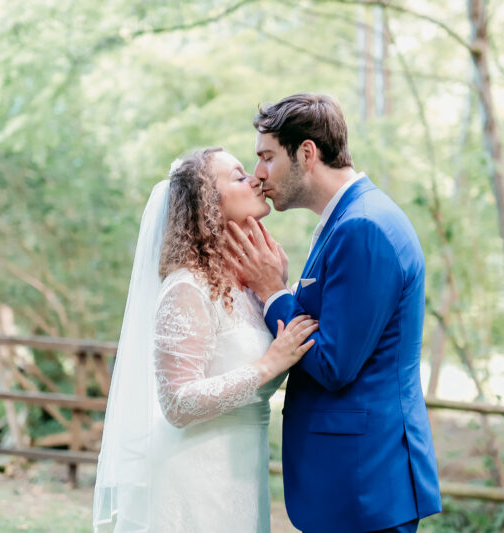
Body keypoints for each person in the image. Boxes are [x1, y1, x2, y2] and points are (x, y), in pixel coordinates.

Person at [227, 93, 442, 533]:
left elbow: (333, 363)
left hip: (365, 483)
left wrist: (273, 293)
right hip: (358, 481)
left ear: (306, 153)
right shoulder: (350, 218)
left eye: (266, 157)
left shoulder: (362, 227)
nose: (258, 174)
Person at [93, 147, 318, 533]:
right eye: (237, 176)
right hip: (191, 478)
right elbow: (177, 404)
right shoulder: (187, 287)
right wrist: (267, 365)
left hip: (243, 476)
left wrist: (277, 287)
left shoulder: (251, 289)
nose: (254, 180)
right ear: (208, 203)